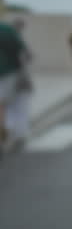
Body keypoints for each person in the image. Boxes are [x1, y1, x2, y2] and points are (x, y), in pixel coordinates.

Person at [0, 20, 28, 151]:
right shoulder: (6, 30)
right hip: (8, 73)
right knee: (11, 105)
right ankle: (12, 134)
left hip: (8, 73)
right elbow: (25, 53)